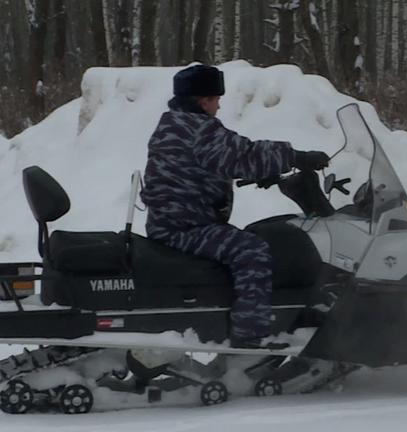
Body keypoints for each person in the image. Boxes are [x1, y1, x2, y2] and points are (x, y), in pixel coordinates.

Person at [140, 64, 330, 349]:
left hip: (172, 220)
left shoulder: (173, 124)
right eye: (216, 99)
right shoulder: (200, 131)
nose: (218, 106)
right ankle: (249, 336)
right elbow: (244, 154)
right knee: (252, 251)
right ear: (203, 100)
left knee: (257, 234)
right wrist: (296, 157)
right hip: (187, 227)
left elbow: (219, 161)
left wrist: (259, 172)